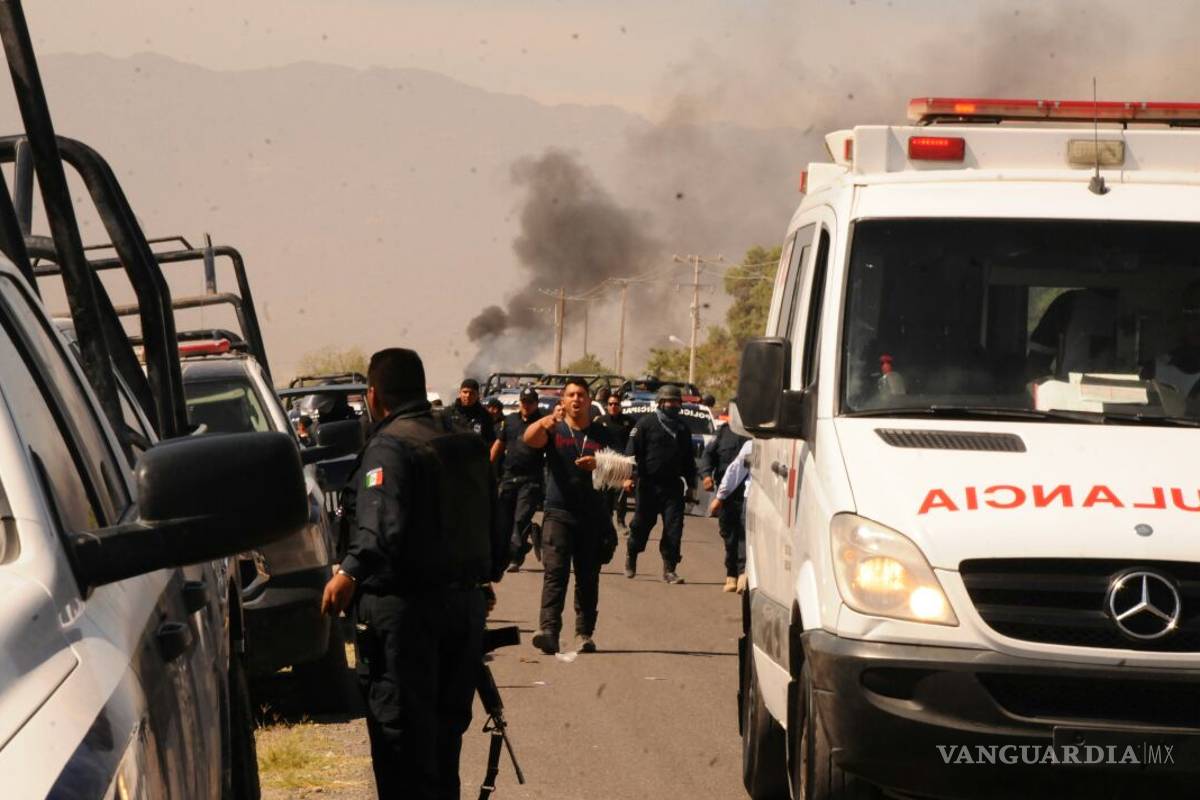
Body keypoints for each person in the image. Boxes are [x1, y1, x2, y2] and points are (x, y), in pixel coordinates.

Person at [320, 348, 505, 800]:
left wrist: (346, 575)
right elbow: (498, 525)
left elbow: (381, 528)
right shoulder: (463, 439)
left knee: (402, 745)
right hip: (463, 612)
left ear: (373, 395)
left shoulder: (390, 445)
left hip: (406, 620)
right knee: (444, 747)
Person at [523, 377, 613, 654]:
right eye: (571, 395)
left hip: (592, 515)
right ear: (563, 401)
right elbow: (530, 440)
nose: (576, 399)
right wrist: (545, 421)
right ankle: (548, 630)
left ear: (588, 400)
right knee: (555, 573)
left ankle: (584, 633)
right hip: (558, 513)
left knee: (588, 575)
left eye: (581, 395)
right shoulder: (554, 428)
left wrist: (600, 463)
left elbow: (625, 471)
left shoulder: (604, 434)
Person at [623, 384, 697, 584]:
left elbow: (689, 460)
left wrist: (692, 485)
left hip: (673, 488)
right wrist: (629, 476)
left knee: (674, 529)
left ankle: (670, 569)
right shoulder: (645, 424)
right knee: (641, 525)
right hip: (648, 486)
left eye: (676, 402)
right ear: (661, 403)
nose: (673, 405)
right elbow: (631, 451)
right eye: (669, 401)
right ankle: (632, 553)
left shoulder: (683, 429)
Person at [491, 387, 546, 572]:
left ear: (536, 404)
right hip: (509, 477)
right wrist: (488, 467)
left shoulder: (542, 422)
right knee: (504, 520)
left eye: (530, 402)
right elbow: (499, 445)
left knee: (519, 519)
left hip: (531, 480)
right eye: (524, 402)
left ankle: (515, 557)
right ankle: (526, 538)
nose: (526, 406)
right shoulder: (510, 421)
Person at [699, 401, 750, 592]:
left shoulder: (754, 435)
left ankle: (744, 572)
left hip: (748, 494)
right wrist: (706, 476)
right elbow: (707, 456)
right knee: (729, 535)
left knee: (746, 534)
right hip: (726, 494)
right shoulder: (723, 433)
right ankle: (731, 575)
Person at [709, 438, 753, 594]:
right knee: (738, 537)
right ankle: (735, 575)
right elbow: (736, 469)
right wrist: (720, 497)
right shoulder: (753, 444)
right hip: (748, 497)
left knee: (746, 538)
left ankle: (743, 575)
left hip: (772, 499)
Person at [598, 392, 634, 530]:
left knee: (621, 496)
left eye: (616, 404)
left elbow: (633, 442)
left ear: (620, 406)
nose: (613, 406)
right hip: (605, 463)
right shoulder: (600, 421)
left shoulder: (629, 422)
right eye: (611, 404)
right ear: (607, 406)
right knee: (606, 496)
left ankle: (620, 521)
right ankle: (607, 522)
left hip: (622, 464)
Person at [449, 378, 496, 444]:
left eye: (472, 393)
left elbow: (490, 441)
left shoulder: (485, 416)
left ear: (477, 395)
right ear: (460, 393)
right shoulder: (448, 414)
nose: (468, 395)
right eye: (465, 392)